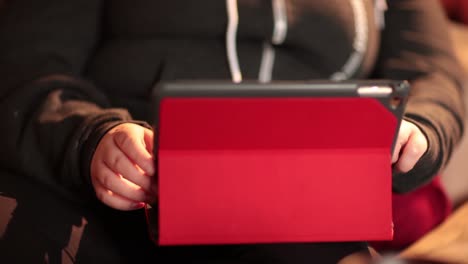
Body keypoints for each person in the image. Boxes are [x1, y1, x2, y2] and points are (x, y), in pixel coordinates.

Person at [0, 0, 465, 263]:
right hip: (112, 178)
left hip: (298, 199)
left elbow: (434, 75)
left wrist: (416, 131)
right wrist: (94, 138)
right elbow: (29, 69)